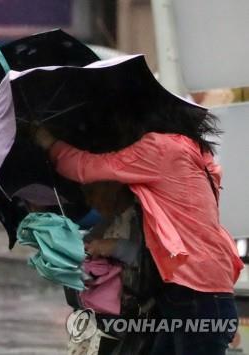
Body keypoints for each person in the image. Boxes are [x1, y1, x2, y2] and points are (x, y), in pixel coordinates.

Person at [33, 102, 243, 355]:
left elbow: (86, 168)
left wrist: (49, 143)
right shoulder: (192, 151)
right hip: (200, 287)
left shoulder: (159, 147)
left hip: (195, 291)